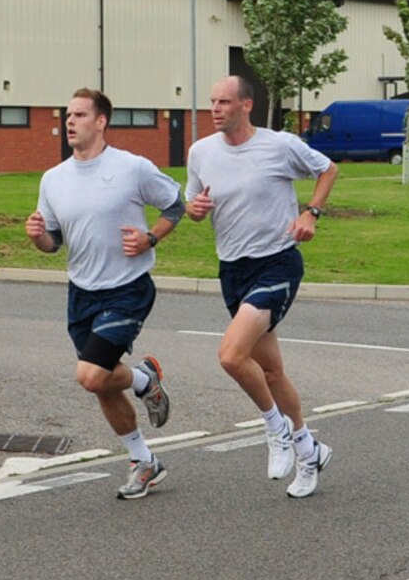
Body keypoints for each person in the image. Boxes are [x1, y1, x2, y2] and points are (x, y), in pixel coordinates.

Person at [184, 75, 340, 498]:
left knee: (231, 357)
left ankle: (276, 430)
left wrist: (310, 213)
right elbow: (194, 204)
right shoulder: (200, 151)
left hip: (277, 264)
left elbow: (328, 168)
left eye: (224, 102)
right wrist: (194, 208)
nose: (215, 109)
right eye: (212, 101)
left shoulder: (279, 145)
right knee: (271, 371)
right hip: (232, 270)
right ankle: (309, 449)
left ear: (246, 105)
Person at [25, 88, 181, 499]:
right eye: (66, 115)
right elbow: (54, 242)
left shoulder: (131, 168)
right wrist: (38, 237)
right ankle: (145, 462)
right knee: (102, 385)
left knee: (90, 374)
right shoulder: (53, 178)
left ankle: (145, 381)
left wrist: (150, 237)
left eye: (78, 114)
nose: (69, 122)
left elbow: (175, 205)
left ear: (101, 121)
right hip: (82, 293)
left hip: (127, 289)